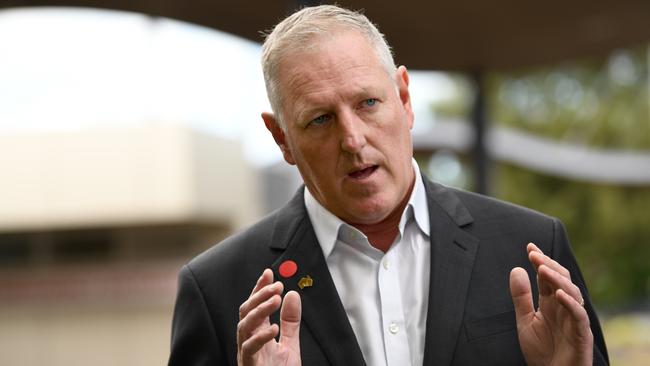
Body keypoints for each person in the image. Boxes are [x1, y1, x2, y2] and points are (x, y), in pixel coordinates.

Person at [168, 5, 608, 366]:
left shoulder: (531, 247)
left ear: (404, 99)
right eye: (320, 119)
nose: (353, 139)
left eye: (368, 103)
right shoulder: (217, 291)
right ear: (282, 137)